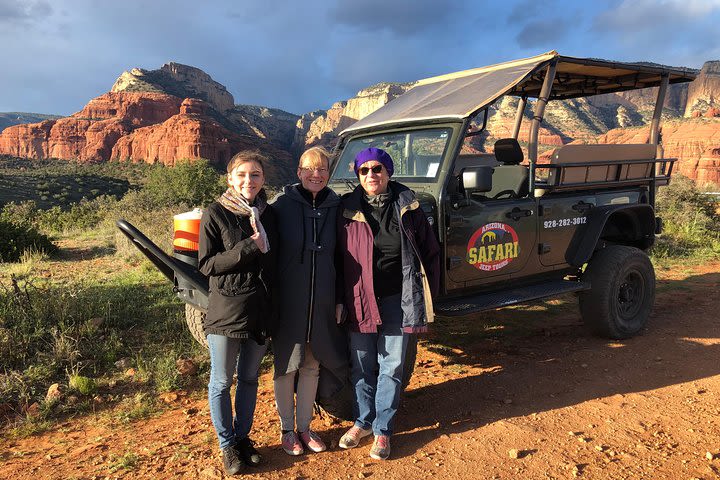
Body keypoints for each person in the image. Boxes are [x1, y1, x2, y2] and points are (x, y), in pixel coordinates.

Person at [336, 147, 440, 460]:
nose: (371, 175)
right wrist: (340, 299)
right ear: (357, 174)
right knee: (362, 364)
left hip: (400, 298)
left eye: (377, 169)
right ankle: (362, 421)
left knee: (392, 367)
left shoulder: (409, 205)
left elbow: (430, 252)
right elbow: (336, 261)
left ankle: (382, 430)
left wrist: (429, 298)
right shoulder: (346, 209)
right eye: (364, 170)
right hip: (359, 298)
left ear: (388, 172)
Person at [198, 150, 278, 476]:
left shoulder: (267, 213)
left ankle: (243, 438)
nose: (249, 180)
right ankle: (227, 445)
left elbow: (275, 262)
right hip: (227, 310)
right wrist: (248, 247)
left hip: (260, 309)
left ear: (262, 180)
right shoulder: (215, 214)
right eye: (242, 174)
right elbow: (207, 265)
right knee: (221, 381)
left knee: (248, 379)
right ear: (230, 178)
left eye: (255, 175)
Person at [270, 146, 348, 456]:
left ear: (329, 174)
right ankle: (287, 430)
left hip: (325, 300)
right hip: (289, 301)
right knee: (286, 365)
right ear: (299, 172)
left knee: (312, 364)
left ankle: (305, 428)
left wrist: (340, 299)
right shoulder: (280, 206)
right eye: (310, 169)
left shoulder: (336, 206)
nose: (316, 175)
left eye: (322, 170)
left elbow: (344, 258)